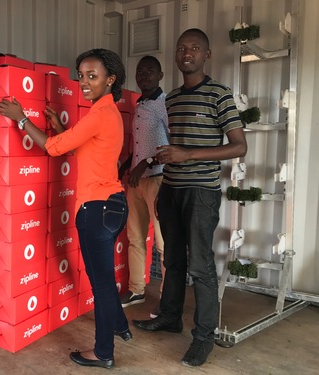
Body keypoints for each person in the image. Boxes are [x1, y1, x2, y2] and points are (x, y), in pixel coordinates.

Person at [0, 48, 130, 370]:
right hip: (114, 204)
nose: (83, 83)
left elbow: (54, 149)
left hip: (96, 209)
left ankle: (103, 353)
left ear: (110, 79)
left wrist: (21, 120)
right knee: (105, 275)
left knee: (100, 284)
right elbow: (81, 151)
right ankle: (121, 326)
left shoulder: (99, 114)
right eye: (81, 75)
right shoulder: (106, 112)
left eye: (92, 76)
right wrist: (58, 126)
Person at [133, 28, 247, 367]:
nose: (187, 52)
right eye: (182, 47)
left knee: (200, 266)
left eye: (195, 48)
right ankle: (169, 317)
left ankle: (203, 338)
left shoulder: (219, 94)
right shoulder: (172, 99)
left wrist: (188, 156)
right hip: (171, 190)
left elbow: (239, 145)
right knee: (173, 262)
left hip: (201, 193)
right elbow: (171, 150)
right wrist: (164, 181)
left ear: (206, 55)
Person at [118, 56, 169, 318]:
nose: (144, 74)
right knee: (135, 238)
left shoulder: (163, 104)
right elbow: (141, 146)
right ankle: (137, 289)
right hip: (137, 181)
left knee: (163, 243)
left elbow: (174, 147)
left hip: (157, 180)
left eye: (150, 70)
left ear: (160, 74)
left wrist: (147, 162)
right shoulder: (140, 104)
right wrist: (127, 164)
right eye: (140, 71)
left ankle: (168, 300)